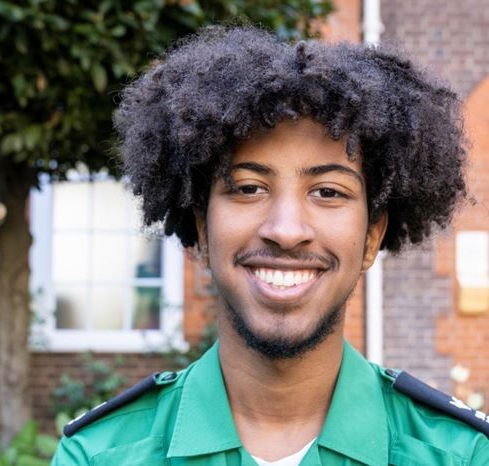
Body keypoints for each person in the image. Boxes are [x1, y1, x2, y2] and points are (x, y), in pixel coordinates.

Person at [52, 27, 489, 465]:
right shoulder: (98, 455)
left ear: (372, 236)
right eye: (248, 187)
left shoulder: (462, 455)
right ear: (202, 229)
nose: (285, 230)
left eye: (328, 192)